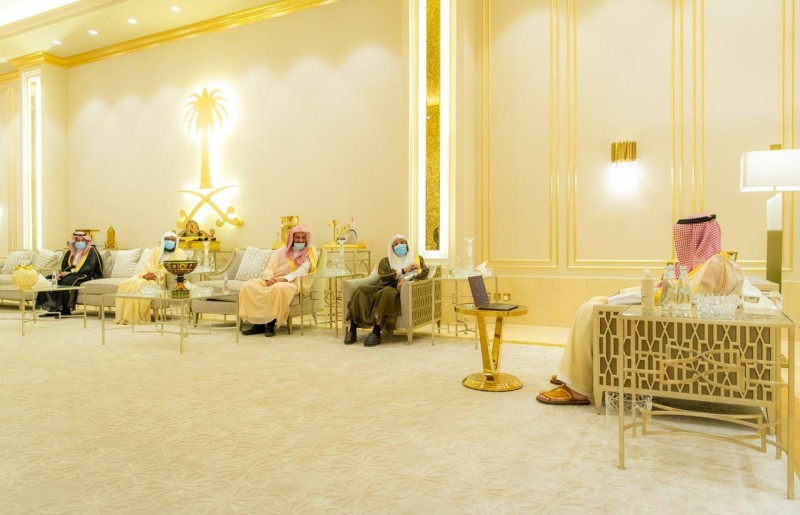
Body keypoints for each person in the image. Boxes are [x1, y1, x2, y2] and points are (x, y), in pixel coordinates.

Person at [537, 214, 743, 406]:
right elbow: (669, 289)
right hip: (669, 318)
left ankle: (578, 390)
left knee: (589, 310)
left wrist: (638, 296)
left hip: (675, 327)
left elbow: (685, 300)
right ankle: (576, 374)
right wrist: (626, 293)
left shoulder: (714, 266)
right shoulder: (706, 263)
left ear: (697, 236)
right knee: (596, 302)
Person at [344, 234, 429, 347]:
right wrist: (404, 270)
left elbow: (424, 273)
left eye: (402, 243)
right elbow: (384, 276)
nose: (399, 246)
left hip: (398, 289)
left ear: (407, 245)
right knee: (360, 290)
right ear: (392, 248)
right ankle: (352, 329)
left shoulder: (417, 259)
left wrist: (406, 279)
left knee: (386, 293)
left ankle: (376, 331)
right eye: (396, 244)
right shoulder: (386, 261)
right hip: (382, 285)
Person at [239, 225, 316, 337]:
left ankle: (270, 324)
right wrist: (268, 278)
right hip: (273, 279)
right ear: (292, 238)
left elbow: (302, 271)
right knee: (249, 286)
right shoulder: (281, 251)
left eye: (303, 238)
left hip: (293, 281)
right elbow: (270, 266)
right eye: (297, 237)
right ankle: (258, 324)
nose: (300, 240)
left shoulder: (310, 252)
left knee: (278, 288)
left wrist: (283, 279)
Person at [114, 231, 187, 325]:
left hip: (160, 279)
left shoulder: (179, 253)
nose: (169, 241)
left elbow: (175, 269)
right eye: (167, 239)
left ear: (176, 242)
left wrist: (156, 275)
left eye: (172, 240)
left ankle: (133, 317)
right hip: (147, 276)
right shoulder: (156, 251)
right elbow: (147, 264)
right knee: (125, 284)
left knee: (140, 285)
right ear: (163, 241)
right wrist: (145, 275)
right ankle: (124, 316)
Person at [37, 230, 103, 317]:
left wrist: (70, 273)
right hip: (70, 274)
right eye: (78, 240)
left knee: (66, 281)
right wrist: (59, 275)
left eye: (82, 240)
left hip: (85, 274)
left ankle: (65, 310)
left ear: (86, 241)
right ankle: (53, 309)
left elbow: (89, 268)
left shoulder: (91, 251)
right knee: (48, 279)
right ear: (74, 241)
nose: (80, 242)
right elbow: (64, 267)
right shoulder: (70, 252)